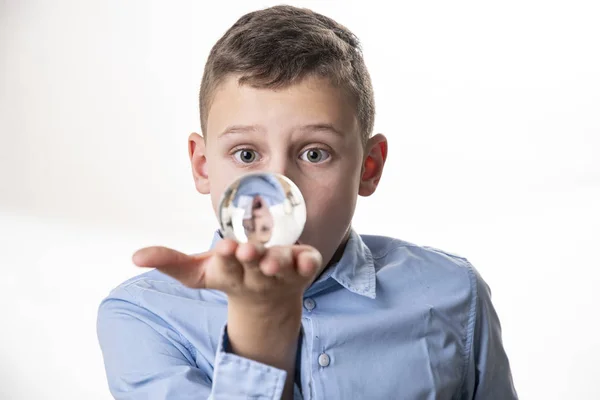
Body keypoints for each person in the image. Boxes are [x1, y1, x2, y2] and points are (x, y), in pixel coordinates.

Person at [96, 5, 518, 400]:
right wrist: (260, 325)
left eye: (315, 153)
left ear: (368, 168)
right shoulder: (143, 317)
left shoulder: (453, 293)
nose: (278, 190)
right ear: (203, 166)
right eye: (246, 155)